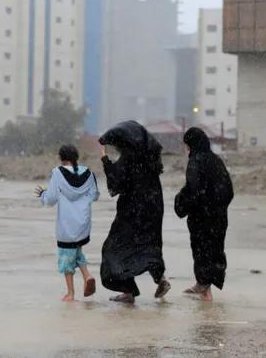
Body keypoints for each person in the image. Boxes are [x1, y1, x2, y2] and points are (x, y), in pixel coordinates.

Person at [98, 120, 170, 303]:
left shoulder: (129, 159)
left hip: (132, 211)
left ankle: (128, 291)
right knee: (150, 245)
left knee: (114, 248)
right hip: (153, 208)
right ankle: (160, 279)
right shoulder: (150, 158)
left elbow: (116, 185)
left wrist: (106, 161)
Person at [174, 127, 234, 302]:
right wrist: (218, 208)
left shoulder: (195, 161)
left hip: (202, 218)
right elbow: (228, 190)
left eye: (187, 145)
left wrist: (184, 206)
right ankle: (203, 286)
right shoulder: (216, 160)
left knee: (201, 251)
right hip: (219, 218)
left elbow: (193, 190)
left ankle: (205, 290)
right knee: (214, 250)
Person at [34, 145, 99, 302]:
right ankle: (87, 276)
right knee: (76, 252)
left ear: (62, 158)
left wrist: (42, 194)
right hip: (82, 223)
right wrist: (81, 202)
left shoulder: (58, 173)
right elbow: (94, 195)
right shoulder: (89, 173)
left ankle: (70, 293)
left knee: (65, 258)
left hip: (67, 224)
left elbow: (51, 199)